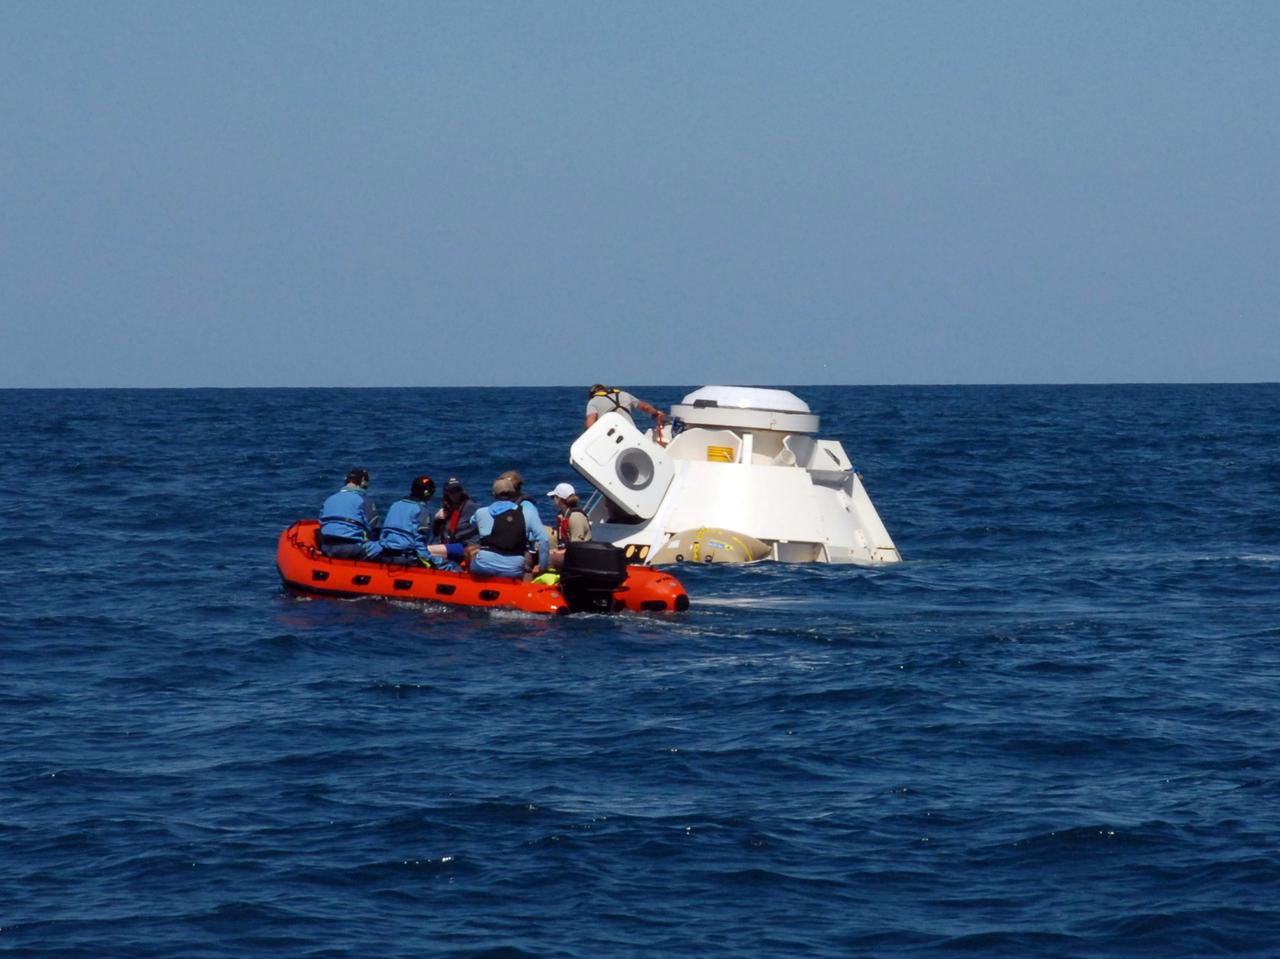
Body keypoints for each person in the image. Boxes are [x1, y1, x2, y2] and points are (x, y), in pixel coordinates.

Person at [466, 471, 550, 579]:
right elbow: (544, 540)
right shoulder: (527, 513)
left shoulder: (481, 512)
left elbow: (471, 523)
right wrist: (542, 567)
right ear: (514, 493)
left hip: (483, 566)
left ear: (493, 494)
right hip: (513, 569)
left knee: (470, 553)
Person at [318, 468, 382, 559]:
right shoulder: (364, 501)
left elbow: (321, 524)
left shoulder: (329, 500)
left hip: (328, 548)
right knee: (382, 546)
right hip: (353, 549)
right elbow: (375, 530)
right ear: (363, 483)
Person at [377, 475, 436, 565]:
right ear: (427, 493)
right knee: (449, 565)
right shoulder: (422, 511)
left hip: (385, 555)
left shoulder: (395, 505)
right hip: (406, 558)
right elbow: (420, 543)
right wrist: (430, 561)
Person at [583, 384, 664, 433]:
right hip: (632, 432)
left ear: (591, 395)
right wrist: (656, 413)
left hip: (611, 437)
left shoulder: (593, 401)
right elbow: (645, 407)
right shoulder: (624, 394)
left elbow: (590, 423)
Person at [547, 481, 591, 569]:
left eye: (553, 497)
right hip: (567, 552)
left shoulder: (575, 517)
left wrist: (558, 553)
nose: (553, 500)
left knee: (546, 559)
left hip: (579, 558)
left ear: (558, 499)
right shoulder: (562, 515)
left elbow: (578, 547)